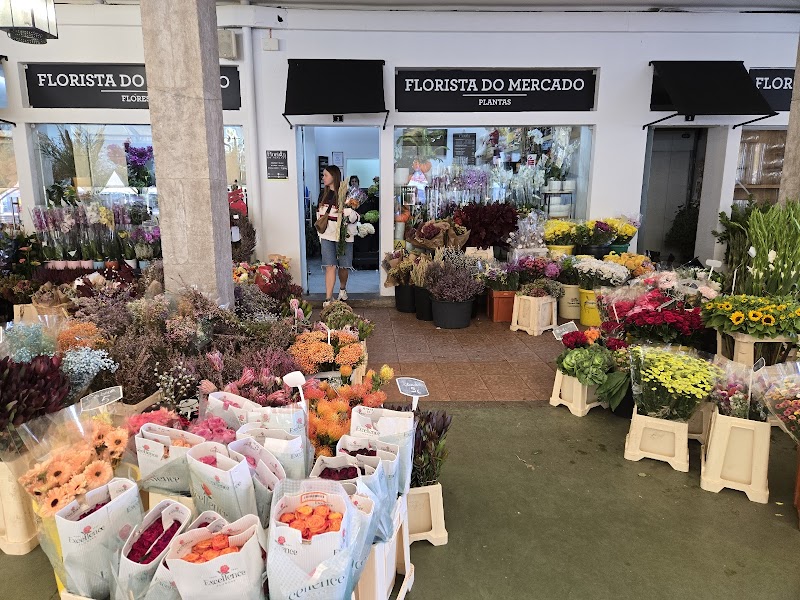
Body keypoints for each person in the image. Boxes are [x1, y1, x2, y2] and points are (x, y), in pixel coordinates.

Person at [317, 165, 359, 305]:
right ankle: (328, 298)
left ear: (334, 176)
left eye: (326, 175)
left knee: (344, 266)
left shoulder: (347, 194)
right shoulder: (322, 194)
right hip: (327, 235)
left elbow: (356, 218)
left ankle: (342, 289)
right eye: (323, 175)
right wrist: (320, 234)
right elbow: (319, 215)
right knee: (330, 266)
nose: (323, 178)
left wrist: (348, 213)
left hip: (344, 236)